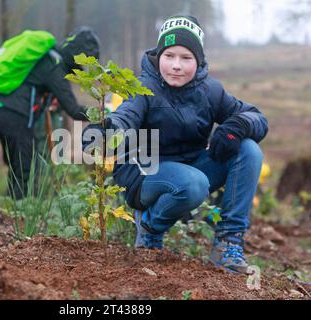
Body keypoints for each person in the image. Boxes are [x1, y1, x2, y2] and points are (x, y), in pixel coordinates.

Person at [82, 16, 268, 274]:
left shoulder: (211, 91)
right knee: (194, 184)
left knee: (248, 150)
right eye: (169, 56)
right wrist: (109, 129)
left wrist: (237, 127)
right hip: (143, 174)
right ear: (159, 56)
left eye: (186, 58)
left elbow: (256, 116)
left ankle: (228, 243)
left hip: (190, 168)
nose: (176, 66)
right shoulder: (142, 87)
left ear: (199, 61)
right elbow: (126, 114)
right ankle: (149, 229)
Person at [0, 26, 100, 200]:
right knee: (26, 169)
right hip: (15, 115)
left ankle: (7, 213)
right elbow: (73, 109)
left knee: (17, 168)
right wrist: (102, 113)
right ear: (76, 55)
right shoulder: (55, 67)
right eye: (82, 63)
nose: (81, 68)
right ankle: (18, 216)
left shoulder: (48, 58)